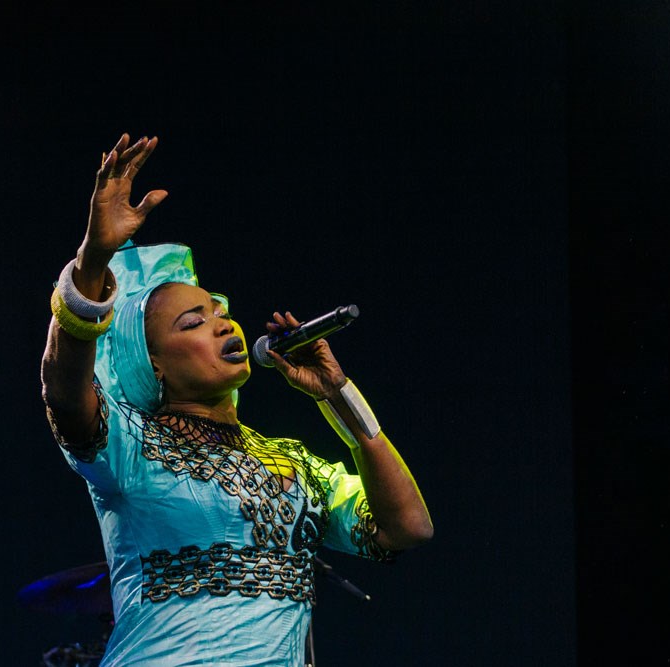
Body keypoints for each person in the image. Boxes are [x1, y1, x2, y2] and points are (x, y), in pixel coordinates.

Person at [40, 133, 434, 666]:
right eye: (193, 321)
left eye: (218, 310)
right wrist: (94, 259)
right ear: (150, 362)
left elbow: (406, 527)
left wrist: (340, 398)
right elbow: (64, 391)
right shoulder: (131, 447)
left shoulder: (293, 462)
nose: (221, 321)